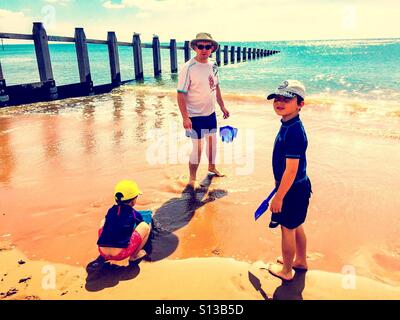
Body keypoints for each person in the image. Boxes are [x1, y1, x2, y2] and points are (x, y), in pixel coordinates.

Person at [265, 80, 312, 281]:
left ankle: (286, 271)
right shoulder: (289, 124)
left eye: (287, 99)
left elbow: (291, 171)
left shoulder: (293, 131)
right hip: (298, 186)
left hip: (292, 189)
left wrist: (279, 197)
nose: (279, 102)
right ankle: (300, 260)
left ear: (300, 104)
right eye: (277, 98)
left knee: (287, 228)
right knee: (296, 225)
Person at [177, 32, 230, 187]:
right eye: (201, 46)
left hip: (210, 113)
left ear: (212, 48)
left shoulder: (213, 64)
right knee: (198, 148)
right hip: (194, 115)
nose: (204, 49)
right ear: (195, 47)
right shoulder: (188, 68)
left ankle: (212, 167)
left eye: (208, 46)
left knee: (212, 143)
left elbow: (216, 86)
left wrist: (222, 105)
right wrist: (185, 117)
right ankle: (192, 178)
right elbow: (180, 94)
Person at [97, 180, 151, 267]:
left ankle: (106, 251)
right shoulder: (134, 214)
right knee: (145, 226)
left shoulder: (110, 210)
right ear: (133, 201)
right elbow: (140, 224)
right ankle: (134, 256)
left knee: (103, 221)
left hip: (102, 252)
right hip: (120, 254)